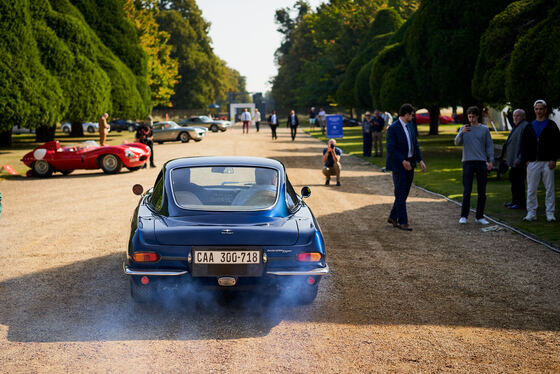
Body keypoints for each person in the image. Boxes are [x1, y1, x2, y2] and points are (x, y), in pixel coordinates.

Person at [386, 104, 427, 231]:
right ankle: (403, 222)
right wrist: (403, 160)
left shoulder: (410, 126)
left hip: (411, 163)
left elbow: (415, 144)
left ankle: (393, 216)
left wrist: (420, 160)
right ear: (407, 114)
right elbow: (391, 148)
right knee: (400, 192)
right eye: (412, 115)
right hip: (399, 165)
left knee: (403, 193)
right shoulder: (393, 128)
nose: (413, 117)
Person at [521, 99, 560, 222]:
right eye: (537, 109)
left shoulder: (551, 125)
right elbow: (524, 145)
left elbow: (557, 144)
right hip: (533, 162)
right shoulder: (529, 126)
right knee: (532, 188)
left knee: (549, 188)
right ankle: (531, 213)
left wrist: (554, 159)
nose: (539, 111)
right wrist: (526, 160)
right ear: (534, 110)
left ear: (545, 110)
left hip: (548, 162)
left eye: (541, 109)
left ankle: (550, 213)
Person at [454, 106, 494, 225]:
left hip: (481, 162)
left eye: (473, 117)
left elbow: (489, 145)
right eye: (469, 117)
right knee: (467, 191)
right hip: (467, 162)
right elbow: (456, 143)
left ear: (477, 116)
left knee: (482, 191)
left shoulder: (484, 129)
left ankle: (479, 216)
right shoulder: (464, 128)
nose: (471, 119)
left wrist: (491, 160)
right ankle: (463, 216)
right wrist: (461, 132)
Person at [503, 109, 529, 210]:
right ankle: (514, 201)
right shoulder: (517, 126)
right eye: (514, 116)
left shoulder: (525, 126)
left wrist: (519, 158)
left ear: (523, 117)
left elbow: (525, 146)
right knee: (513, 182)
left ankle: (520, 203)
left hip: (519, 162)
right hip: (513, 161)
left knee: (519, 183)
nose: (515, 118)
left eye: (518, 116)